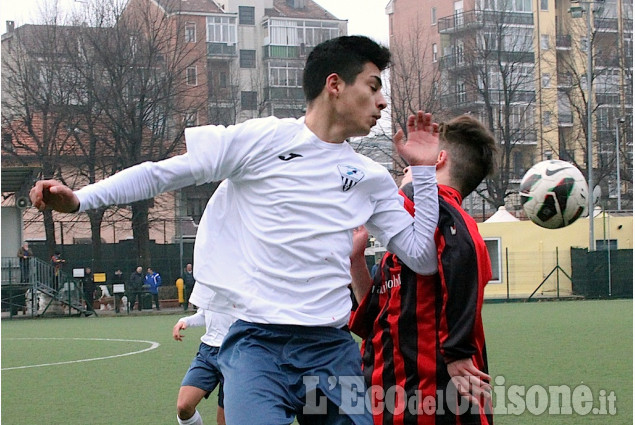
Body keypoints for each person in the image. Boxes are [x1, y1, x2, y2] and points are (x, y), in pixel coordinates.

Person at [30, 35, 441, 424]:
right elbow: (163, 174)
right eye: (373, 87)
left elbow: (421, 257)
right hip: (257, 347)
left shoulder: (369, 176)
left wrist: (423, 173)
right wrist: (81, 199)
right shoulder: (263, 139)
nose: (383, 101)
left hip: (332, 351)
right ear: (335, 85)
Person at [349, 115, 498, 424]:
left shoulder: (447, 218)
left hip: (433, 402)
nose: (404, 170)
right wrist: (356, 261)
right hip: (389, 400)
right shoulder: (410, 234)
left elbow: (462, 252)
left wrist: (457, 351)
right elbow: (370, 320)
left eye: (415, 161)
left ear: (436, 160)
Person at [172, 305, 235, 425]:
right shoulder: (206, 286)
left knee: (224, 421)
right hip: (208, 352)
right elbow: (204, 314)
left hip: (235, 353)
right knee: (184, 406)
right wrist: (185, 321)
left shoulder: (245, 286)